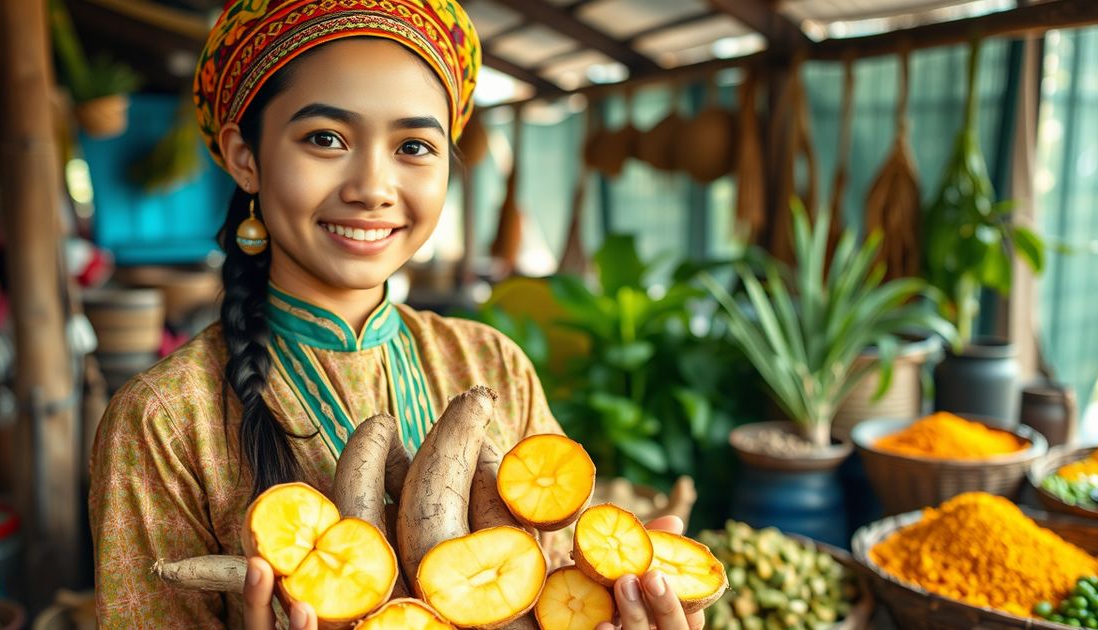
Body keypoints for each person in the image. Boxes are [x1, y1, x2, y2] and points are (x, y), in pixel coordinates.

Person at [88, 1, 704, 628]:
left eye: (413, 145)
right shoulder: (164, 419)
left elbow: (556, 591)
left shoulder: (492, 365)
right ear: (245, 157)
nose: (374, 186)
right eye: (326, 138)